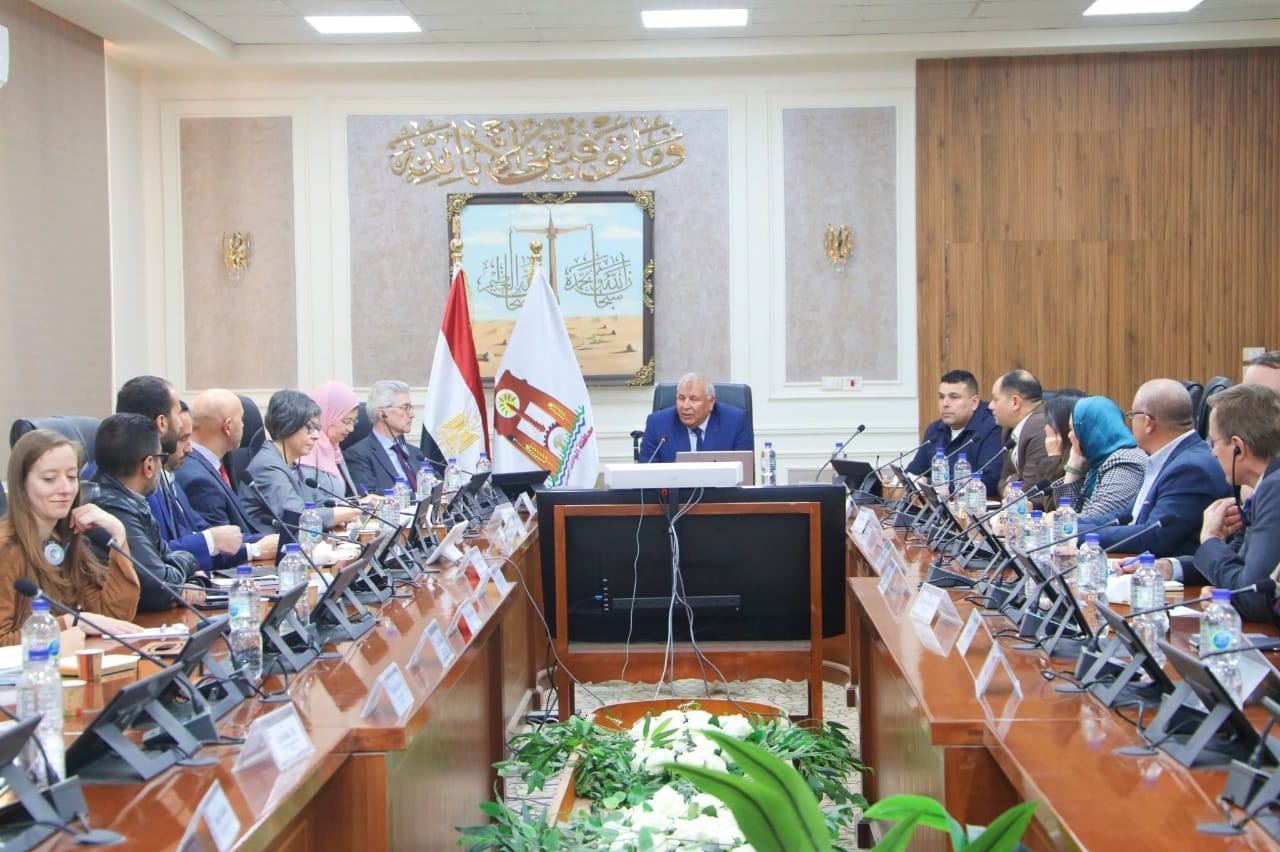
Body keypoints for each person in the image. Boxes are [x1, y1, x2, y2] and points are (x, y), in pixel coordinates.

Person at [1130, 384, 1280, 623]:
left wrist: (1210, 539)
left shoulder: (1274, 489)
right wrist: (1170, 566)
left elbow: (1252, 595)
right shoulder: (1266, 486)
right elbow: (1240, 570)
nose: (1213, 453)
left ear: (1238, 447)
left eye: (1213, 442)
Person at [0, 430, 142, 647]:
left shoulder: (65, 541)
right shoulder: (7, 548)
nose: (66, 489)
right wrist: (70, 622)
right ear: (21, 484)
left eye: (71, 477)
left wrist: (118, 534)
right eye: (50, 479)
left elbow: (113, 618)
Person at [1087, 379, 1231, 557]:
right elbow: (1128, 516)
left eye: (1132, 416)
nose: (1131, 423)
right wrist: (1070, 529)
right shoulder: (1166, 458)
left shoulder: (1190, 469)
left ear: (1148, 422)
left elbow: (1152, 537)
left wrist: (1083, 537)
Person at [90, 414, 205, 613]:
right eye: (162, 457)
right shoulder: (113, 508)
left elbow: (165, 558)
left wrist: (187, 576)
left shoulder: (131, 500)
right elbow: (160, 588)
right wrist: (189, 561)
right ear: (149, 465)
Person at [152, 404, 274, 570]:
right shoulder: (188, 479)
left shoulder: (170, 479)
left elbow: (206, 532)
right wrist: (255, 550)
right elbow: (168, 553)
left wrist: (270, 542)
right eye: (183, 439)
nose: (190, 449)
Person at [239, 390, 362, 534]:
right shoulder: (267, 466)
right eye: (310, 427)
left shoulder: (290, 463)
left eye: (317, 428)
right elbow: (297, 516)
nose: (316, 436)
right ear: (287, 425)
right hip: (272, 546)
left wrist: (344, 511)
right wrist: (350, 512)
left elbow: (313, 504)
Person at [177, 389, 277, 564]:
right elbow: (221, 544)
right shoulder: (197, 479)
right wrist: (260, 547)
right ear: (228, 427)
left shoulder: (213, 464)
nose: (244, 425)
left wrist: (279, 540)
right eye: (242, 419)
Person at [905, 370, 1004, 496]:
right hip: (938, 505)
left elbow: (988, 480)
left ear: (974, 402)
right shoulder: (935, 430)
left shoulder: (992, 427)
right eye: (941, 397)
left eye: (954, 397)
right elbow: (914, 472)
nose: (945, 404)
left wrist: (930, 484)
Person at [1049, 396, 1147, 519]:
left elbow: (1096, 520)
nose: (1069, 435)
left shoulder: (1125, 463)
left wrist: (1058, 519)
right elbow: (1068, 511)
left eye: (1072, 429)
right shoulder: (1098, 460)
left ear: (1089, 431)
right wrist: (1073, 469)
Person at [345, 380, 442, 496]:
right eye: (405, 408)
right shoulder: (358, 455)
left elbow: (438, 484)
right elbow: (369, 495)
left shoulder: (415, 453)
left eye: (410, 407)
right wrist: (421, 496)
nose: (412, 414)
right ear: (382, 414)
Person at [639, 373, 754, 464]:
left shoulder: (736, 422)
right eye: (681, 398)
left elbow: (744, 474)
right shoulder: (657, 424)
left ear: (711, 402)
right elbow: (646, 475)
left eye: (693, 399)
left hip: (722, 488)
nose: (685, 406)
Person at [990, 370, 1058, 495]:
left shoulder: (1041, 428)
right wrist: (1008, 486)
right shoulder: (1009, 429)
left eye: (995, 400)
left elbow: (1032, 491)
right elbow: (1003, 479)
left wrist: (1013, 484)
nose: (990, 406)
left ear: (1015, 402)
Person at [298, 381, 362, 502]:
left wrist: (362, 503)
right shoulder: (307, 449)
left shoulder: (333, 447)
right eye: (346, 421)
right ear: (326, 415)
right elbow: (310, 502)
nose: (351, 429)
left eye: (353, 422)